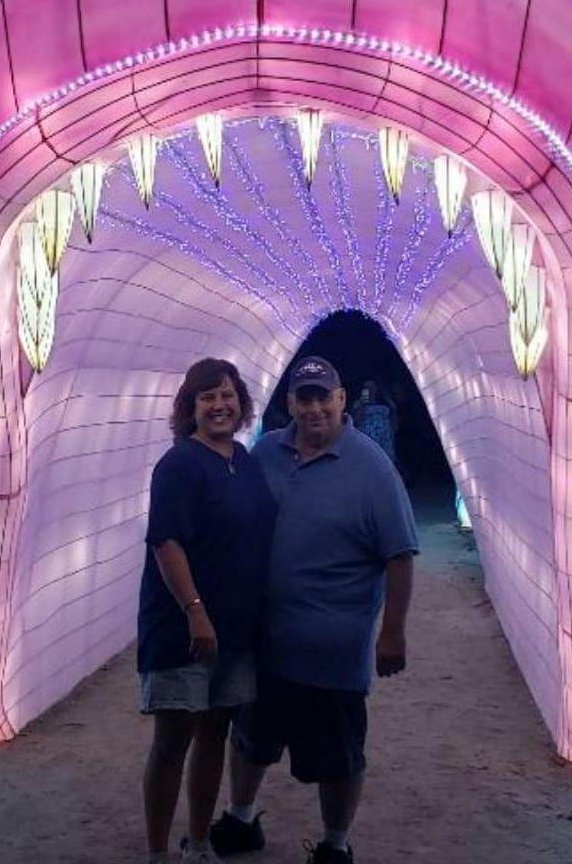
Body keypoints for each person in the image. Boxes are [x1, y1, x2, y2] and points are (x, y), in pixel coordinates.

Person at [209, 355, 419, 864]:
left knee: (338, 755)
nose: (315, 407)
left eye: (324, 396)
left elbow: (400, 553)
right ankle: (241, 816)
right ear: (290, 403)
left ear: (342, 400)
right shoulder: (265, 454)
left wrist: (392, 633)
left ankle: (334, 843)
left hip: (333, 650)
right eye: (305, 397)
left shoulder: (371, 467)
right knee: (251, 735)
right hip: (265, 640)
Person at [138, 358, 278, 864]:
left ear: (241, 403)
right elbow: (166, 542)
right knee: (172, 738)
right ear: (190, 409)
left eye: (227, 395)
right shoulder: (178, 465)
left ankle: (198, 842)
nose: (219, 405)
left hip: (235, 629)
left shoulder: (245, 459)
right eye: (207, 397)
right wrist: (195, 611)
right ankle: (158, 851)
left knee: (215, 733)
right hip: (184, 629)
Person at [349, 380, 397, 466]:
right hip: (367, 441)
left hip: (384, 442)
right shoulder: (358, 404)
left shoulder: (384, 403)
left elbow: (393, 418)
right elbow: (354, 421)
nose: (370, 390)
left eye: (372, 387)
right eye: (367, 388)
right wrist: (363, 403)